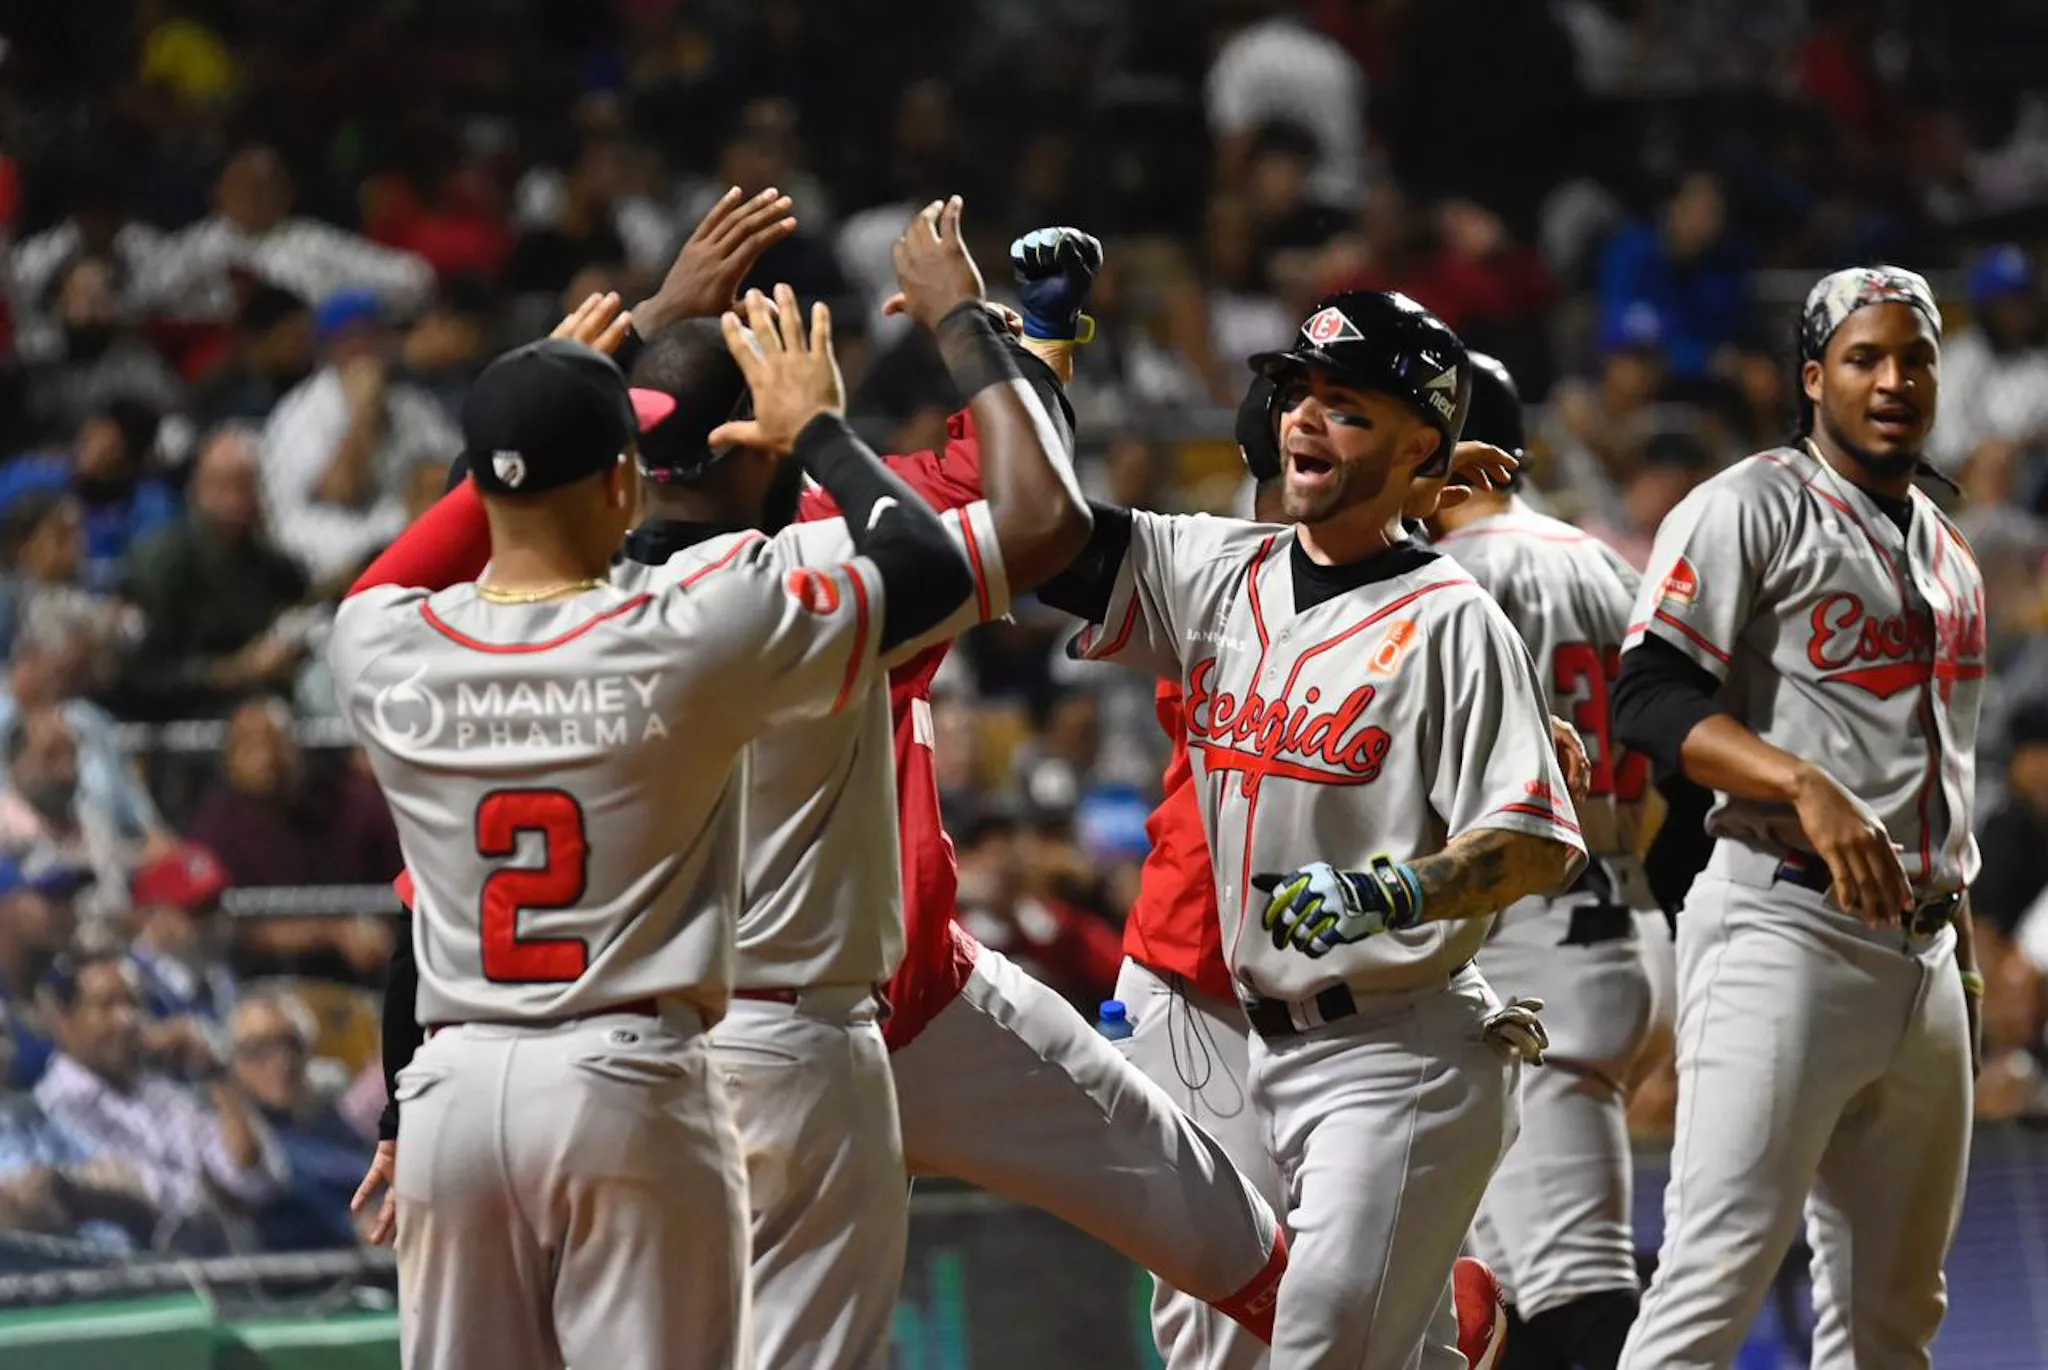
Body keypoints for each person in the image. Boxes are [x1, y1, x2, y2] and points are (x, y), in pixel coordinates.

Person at [330, 284, 975, 1370]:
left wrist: (512, 426)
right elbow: (925, 568)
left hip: (448, 1088)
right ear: (624, 480)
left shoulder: (378, 641)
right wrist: (818, 425)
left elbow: (401, 568)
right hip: (623, 1075)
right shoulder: (680, 633)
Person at [1038, 289, 1583, 1367]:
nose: (1303, 418)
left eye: (1346, 405)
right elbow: (1038, 532)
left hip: (1395, 1038)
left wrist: (1394, 890)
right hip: (1240, 1020)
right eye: (1300, 393)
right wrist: (1026, 357)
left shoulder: (1452, 617)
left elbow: (1537, 839)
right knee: (1253, 1337)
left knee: (1313, 1339)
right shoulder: (1217, 571)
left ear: (1421, 444)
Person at [615, 199, 1091, 1369]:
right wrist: (998, 325)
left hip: (631, 1034)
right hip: (808, 1017)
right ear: (759, 431)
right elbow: (1027, 495)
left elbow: (523, 455)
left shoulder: (555, 583)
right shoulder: (830, 546)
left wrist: (650, 328)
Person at [1611, 265, 1983, 1368]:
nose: (1891, 379)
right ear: (1812, 375)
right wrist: (1801, 784)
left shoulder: (1947, 550)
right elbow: (1648, 695)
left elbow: (1940, 779)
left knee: (1894, 1315)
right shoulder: (1747, 503)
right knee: (1711, 1281)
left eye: (1911, 357)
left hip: (1921, 954)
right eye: (1863, 357)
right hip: (1785, 922)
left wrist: (1958, 953)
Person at [1425, 354, 1655, 1368]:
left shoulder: (1448, 574)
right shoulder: (1605, 560)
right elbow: (1664, 769)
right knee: (1496, 1290)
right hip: (1609, 916)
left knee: (1574, 1283)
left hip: (1520, 944)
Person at [34, 950, 284, 1251]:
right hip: (123, 1274)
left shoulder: (164, 1097)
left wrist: (216, 1075)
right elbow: (145, 1199)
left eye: (133, 1003)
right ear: (63, 1021)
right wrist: (205, 1195)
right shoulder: (53, 1105)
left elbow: (251, 1179)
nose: (126, 1020)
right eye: (107, 1006)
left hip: (210, 1269)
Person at [182, 697, 397, 985]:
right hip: (251, 983)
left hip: (358, 978)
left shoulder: (349, 807)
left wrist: (381, 929)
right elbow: (217, 928)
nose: (265, 758)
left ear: (298, 748)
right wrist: (330, 933)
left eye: (275, 742)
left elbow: (404, 881)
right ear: (228, 761)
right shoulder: (212, 828)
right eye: (249, 746)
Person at [259, 288, 462, 587]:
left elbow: (457, 473)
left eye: (375, 334)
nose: (368, 346)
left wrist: (428, 486)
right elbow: (342, 493)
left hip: (398, 540)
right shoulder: (302, 413)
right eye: (356, 337)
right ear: (331, 347)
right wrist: (361, 417)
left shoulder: (411, 404)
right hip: (326, 553)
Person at [118, 424, 313, 719]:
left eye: (244, 485)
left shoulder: (276, 567)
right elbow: (143, 673)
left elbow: (299, 616)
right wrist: (236, 670)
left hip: (263, 710)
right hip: (180, 718)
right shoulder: (162, 563)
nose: (234, 500)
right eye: (221, 485)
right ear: (197, 488)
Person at [140, 145, 434, 325]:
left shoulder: (311, 240)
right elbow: (143, 295)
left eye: (264, 189)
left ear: (287, 194)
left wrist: (344, 306)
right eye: (242, 188)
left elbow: (414, 276)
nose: (253, 199)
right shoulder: (198, 246)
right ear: (218, 193)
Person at [229, 994, 373, 1251]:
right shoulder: (241, 1137)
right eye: (258, 1050)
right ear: (235, 1062)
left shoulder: (333, 1125)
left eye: (290, 1045)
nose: (281, 1062)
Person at [0, 851, 91, 1089]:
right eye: (51, 900)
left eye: (70, 900)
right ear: (7, 908)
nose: (69, 913)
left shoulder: (66, 983)